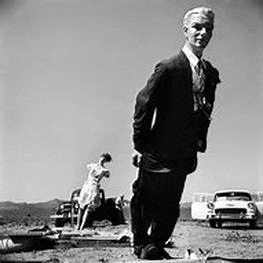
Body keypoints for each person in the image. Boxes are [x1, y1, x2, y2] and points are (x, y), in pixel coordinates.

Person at [130, 7, 221, 260]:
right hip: (157, 149)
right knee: (145, 198)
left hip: (185, 151)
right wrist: (141, 144)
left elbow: (204, 109)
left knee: (171, 203)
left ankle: (156, 245)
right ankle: (141, 244)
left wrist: (199, 141)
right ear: (185, 30)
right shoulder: (169, 68)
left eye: (208, 29)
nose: (203, 33)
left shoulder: (210, 73)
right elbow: (143, 105)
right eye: (198, 27)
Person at [76, 153, 112, 230]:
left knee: (89, 207)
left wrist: (103, 173)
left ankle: (82, 226)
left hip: (94, 186)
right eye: (103, 157)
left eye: (105, 159)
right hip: (87, 185)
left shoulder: (104, 170)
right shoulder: (93, 165)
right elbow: (88, 166)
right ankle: (78, 226)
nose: (103, 159)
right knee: (81, 206)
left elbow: (107, 175)